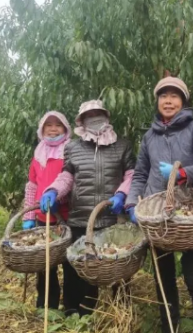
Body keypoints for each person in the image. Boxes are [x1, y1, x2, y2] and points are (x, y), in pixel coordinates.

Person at [125, 77, 193, 333]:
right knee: (163, 279)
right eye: (163, 96)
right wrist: (132, 202)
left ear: (183, 101)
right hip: (157, 216)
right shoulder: (149, 137)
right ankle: (170, 326)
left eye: (174, 96)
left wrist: (183, 173)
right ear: (157, 101)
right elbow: (141, 173)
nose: (168, 100)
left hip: (191, 212)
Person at [39, 99, 136, 317]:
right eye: (89, 117)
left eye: (98, 115)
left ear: (106, 117)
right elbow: (67, 176)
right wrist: (54, 190)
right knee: (79, 266)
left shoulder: (122, 145)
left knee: (118, 264)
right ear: (82, 121)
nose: (94, 120)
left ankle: (121, 311)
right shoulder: (73, 147)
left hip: (112, 217)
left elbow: (132, 174)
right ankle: (76, 309)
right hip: (80, 217)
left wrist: (122, 193)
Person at [21, 111, 72, 310]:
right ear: (42, 130)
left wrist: (61, 198)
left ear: (65, 129)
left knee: (69, 263)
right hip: (43, 218)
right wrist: (29, 215)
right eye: (48, 125)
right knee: (44, 265)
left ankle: (70, 306)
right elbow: (32, 186)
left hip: (65, 217)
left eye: (58, 125)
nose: (53, 129)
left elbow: (73, 180)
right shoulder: (38, 154)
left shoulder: (70, 151)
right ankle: (46, 306)